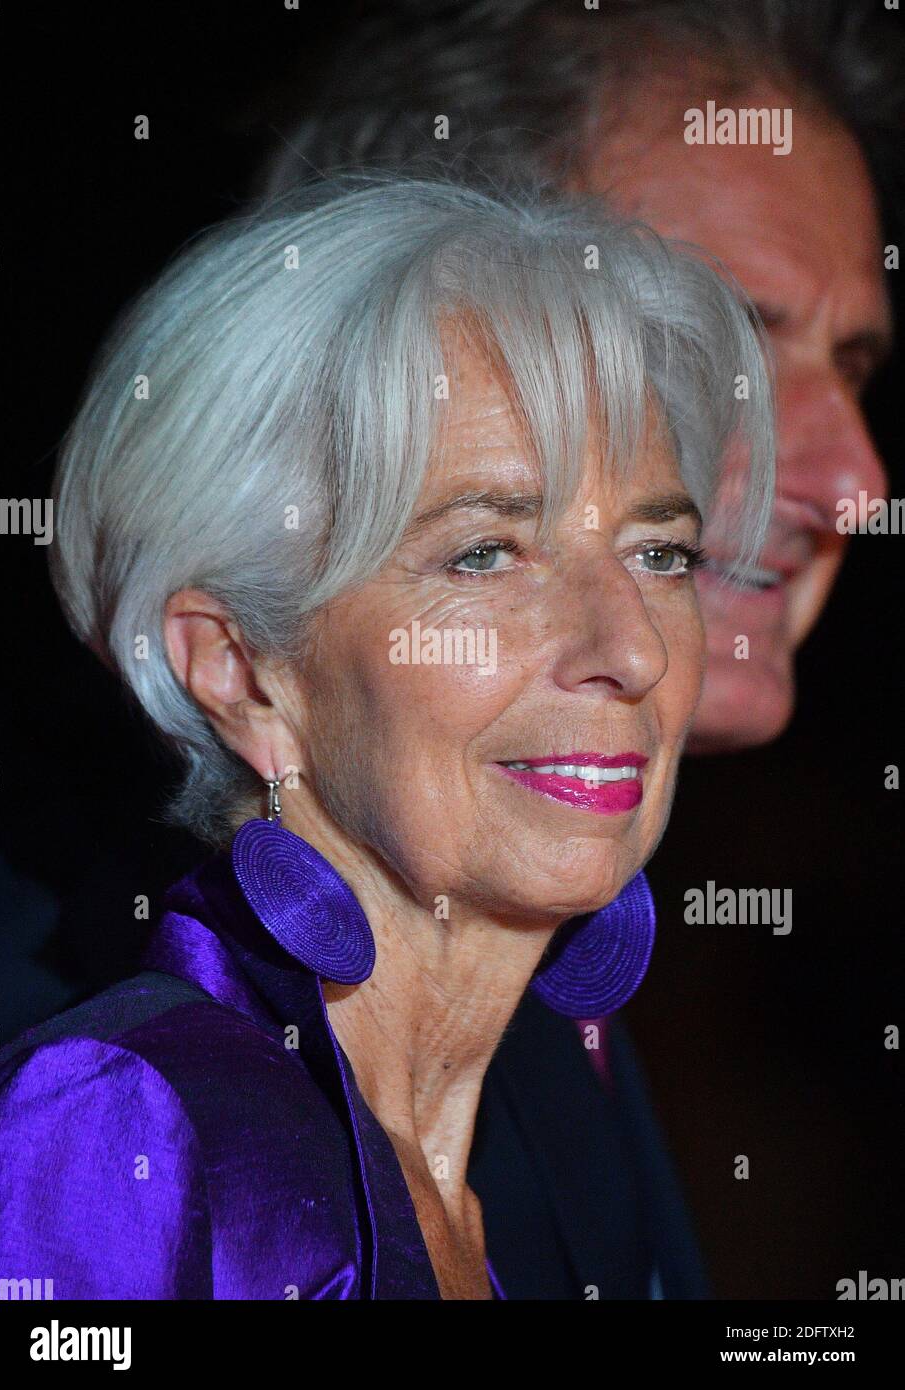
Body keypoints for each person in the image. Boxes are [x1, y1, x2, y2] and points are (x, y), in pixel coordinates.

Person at [0, 174, 774, 1298]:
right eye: (486, 554)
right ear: (239, 668)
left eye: (659, 554)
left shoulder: (530, 1189)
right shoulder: (121, 1126)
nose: (632, 650)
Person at [251, 0, 903, 1296]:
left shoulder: (553, 961)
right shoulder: (96, 1098)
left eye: (855, 364)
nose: (852, 482)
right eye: (716, 345)